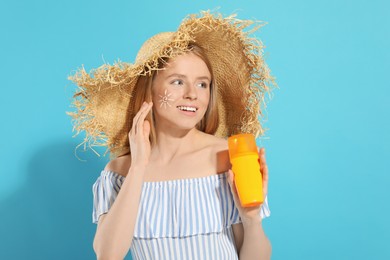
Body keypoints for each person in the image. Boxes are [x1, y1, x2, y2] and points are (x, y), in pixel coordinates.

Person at [68, 11, 275, 260]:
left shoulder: (227, 159)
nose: (192, 94)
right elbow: (108, 254)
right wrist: (139, 167)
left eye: (202, 84)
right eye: (177, 82)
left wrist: (252, 220)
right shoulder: (120, 171)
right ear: (149, 90)